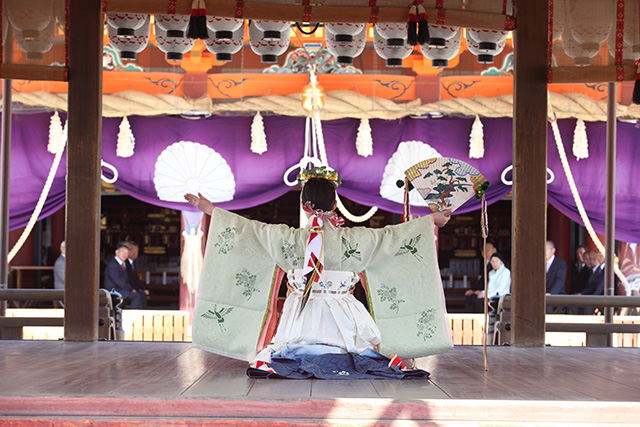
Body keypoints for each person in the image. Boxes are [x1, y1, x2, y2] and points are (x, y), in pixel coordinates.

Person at [185, 173, 453, 379]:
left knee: (282, 351)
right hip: (344, 319)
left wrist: (211, 211)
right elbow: (392, 238)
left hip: (299, 317)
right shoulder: (354, 239)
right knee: (362, 352)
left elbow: (251, 231)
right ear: (335, 204)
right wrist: (430, 220)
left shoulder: (288, 239)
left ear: (303, 205)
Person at [104, 242, 146, 309]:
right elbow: (119, 281)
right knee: (136, 296)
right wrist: (131, 289)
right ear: (117, 252)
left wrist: (137, 289)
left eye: (126, 253)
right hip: (114, 290)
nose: (125, 255)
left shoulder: (123, 264)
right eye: (123, 252)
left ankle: (142, 315)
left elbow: (129, 279)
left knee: (142, 294)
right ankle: (135, 316)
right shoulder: (113, 265)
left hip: (122, 289)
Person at [465, 241, 497, 313]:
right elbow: (482, 281)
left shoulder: (496, 264)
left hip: (492, 292)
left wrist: (482, 292)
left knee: (476, 300)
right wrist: (473, 291)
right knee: (469, 297)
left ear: (494, 250)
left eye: (488, 250)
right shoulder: (486, 263)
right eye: (483, 250)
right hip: (484, 291)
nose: (485, 252)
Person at [124, 241, 149, 308]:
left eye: (137, 252)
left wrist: (142, 289)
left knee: (143, 295)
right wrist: (134, 289)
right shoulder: (124, 263)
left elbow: (135, 278)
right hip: (125, 288)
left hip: (133, 287)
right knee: (138, 295)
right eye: (133, 251)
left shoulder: (132, 263)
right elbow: (128, 278)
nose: (136, 254)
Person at [545, 240, 567, 314]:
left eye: (546, 249)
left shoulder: (560, 263)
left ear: (553, 250)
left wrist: (551, 293)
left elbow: (560, 281)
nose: (544, 251)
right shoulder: (540, 263)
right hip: (543, 294)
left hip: (557, 294)